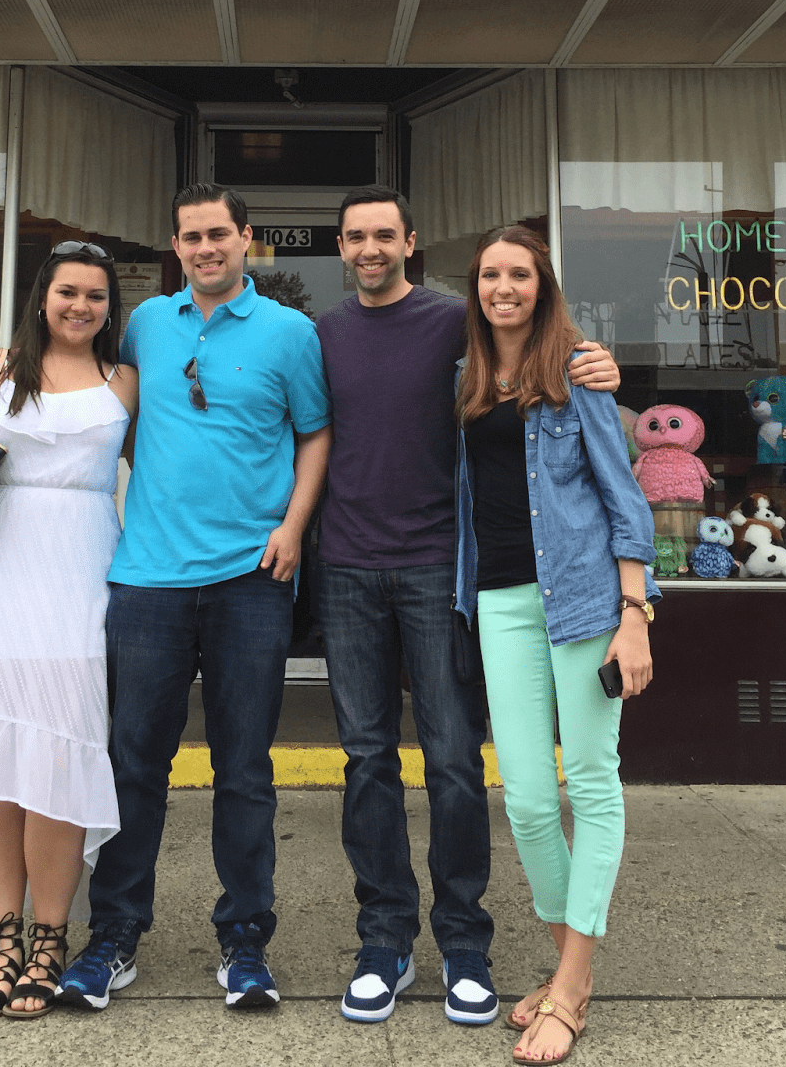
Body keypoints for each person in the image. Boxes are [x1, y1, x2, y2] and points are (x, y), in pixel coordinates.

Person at [314, 186, 620, 1026]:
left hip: (440, 569)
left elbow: (540, 351)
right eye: (355, 236)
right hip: (347, 565)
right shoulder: (322, 333)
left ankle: (463, 944)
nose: (370, 248)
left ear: (411, 242)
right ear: (340, 247)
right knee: (367, 760)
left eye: (385, 234)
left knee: (454, 760)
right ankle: (384, 941)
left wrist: (599, 364)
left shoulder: (458, 322)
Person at [56, 183, 332, 1013]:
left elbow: (315, 433)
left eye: (219, 233)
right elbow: (100, 408)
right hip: (148, 578)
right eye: (191, 236)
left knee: (243, 769)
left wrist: (292, 527)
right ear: (174, 245)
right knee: (133, 764)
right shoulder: (144, 323)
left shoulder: (292, 333)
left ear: (246, 238)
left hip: (252, 578)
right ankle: (113, 936)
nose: (206, 248)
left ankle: (245, 942)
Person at [0, 241, 135, 1022]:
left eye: (96, 296)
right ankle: (2, 942)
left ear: (110, 308)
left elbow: (161, 474)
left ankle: (51, 940)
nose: (81, 306)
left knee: (61, 748)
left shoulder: (123, 381)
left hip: (81, 573)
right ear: (43, 295)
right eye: (68, 291)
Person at [455, 225, 657, 1064]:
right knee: (530, 801)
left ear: (542, 286)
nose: (503, 288)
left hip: (583, 600)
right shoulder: (465, 377)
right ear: (475, 287)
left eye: (519, 275)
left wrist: (635, 612)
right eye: (490, 275)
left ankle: (569, 988)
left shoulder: (578, 372)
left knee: (593, 783)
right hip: (499, 601)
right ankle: (570, 961)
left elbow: (624, 496)